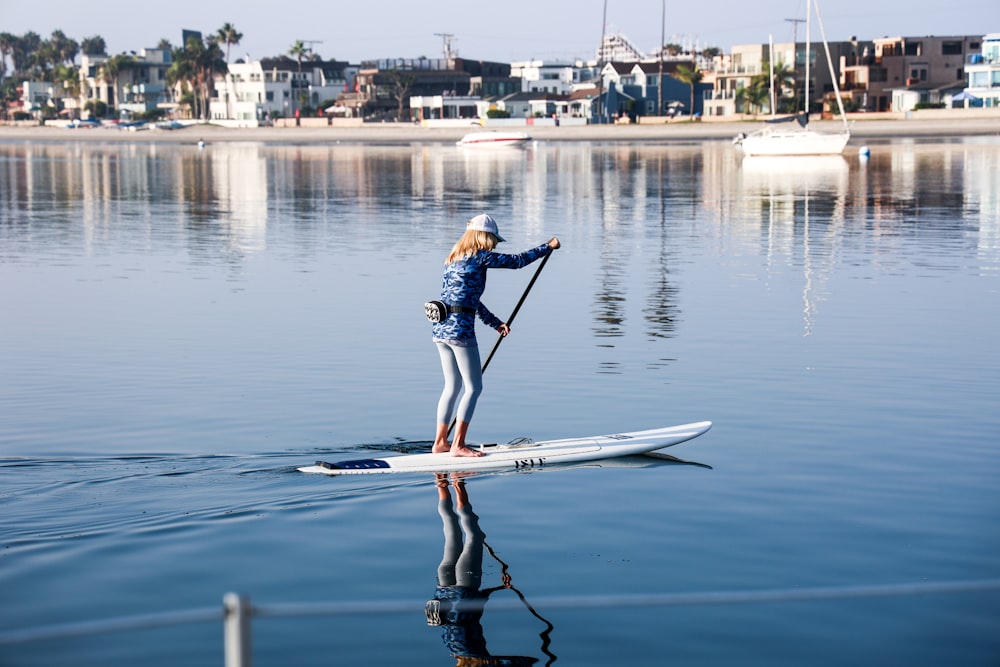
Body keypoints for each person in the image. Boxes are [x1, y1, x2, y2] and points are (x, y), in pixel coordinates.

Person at [431, 214, 560, 457]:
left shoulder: (453, 259)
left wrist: (495, 323)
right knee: (474, 388)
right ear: (483, 236)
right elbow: (518, 261)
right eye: (493, 239)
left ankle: (440, 443)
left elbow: (469, 300)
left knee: (452, 386)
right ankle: (457, 445)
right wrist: (547, 247)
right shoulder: (480, 256)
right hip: (460, 331)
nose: (494, 245)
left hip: (440, 329)